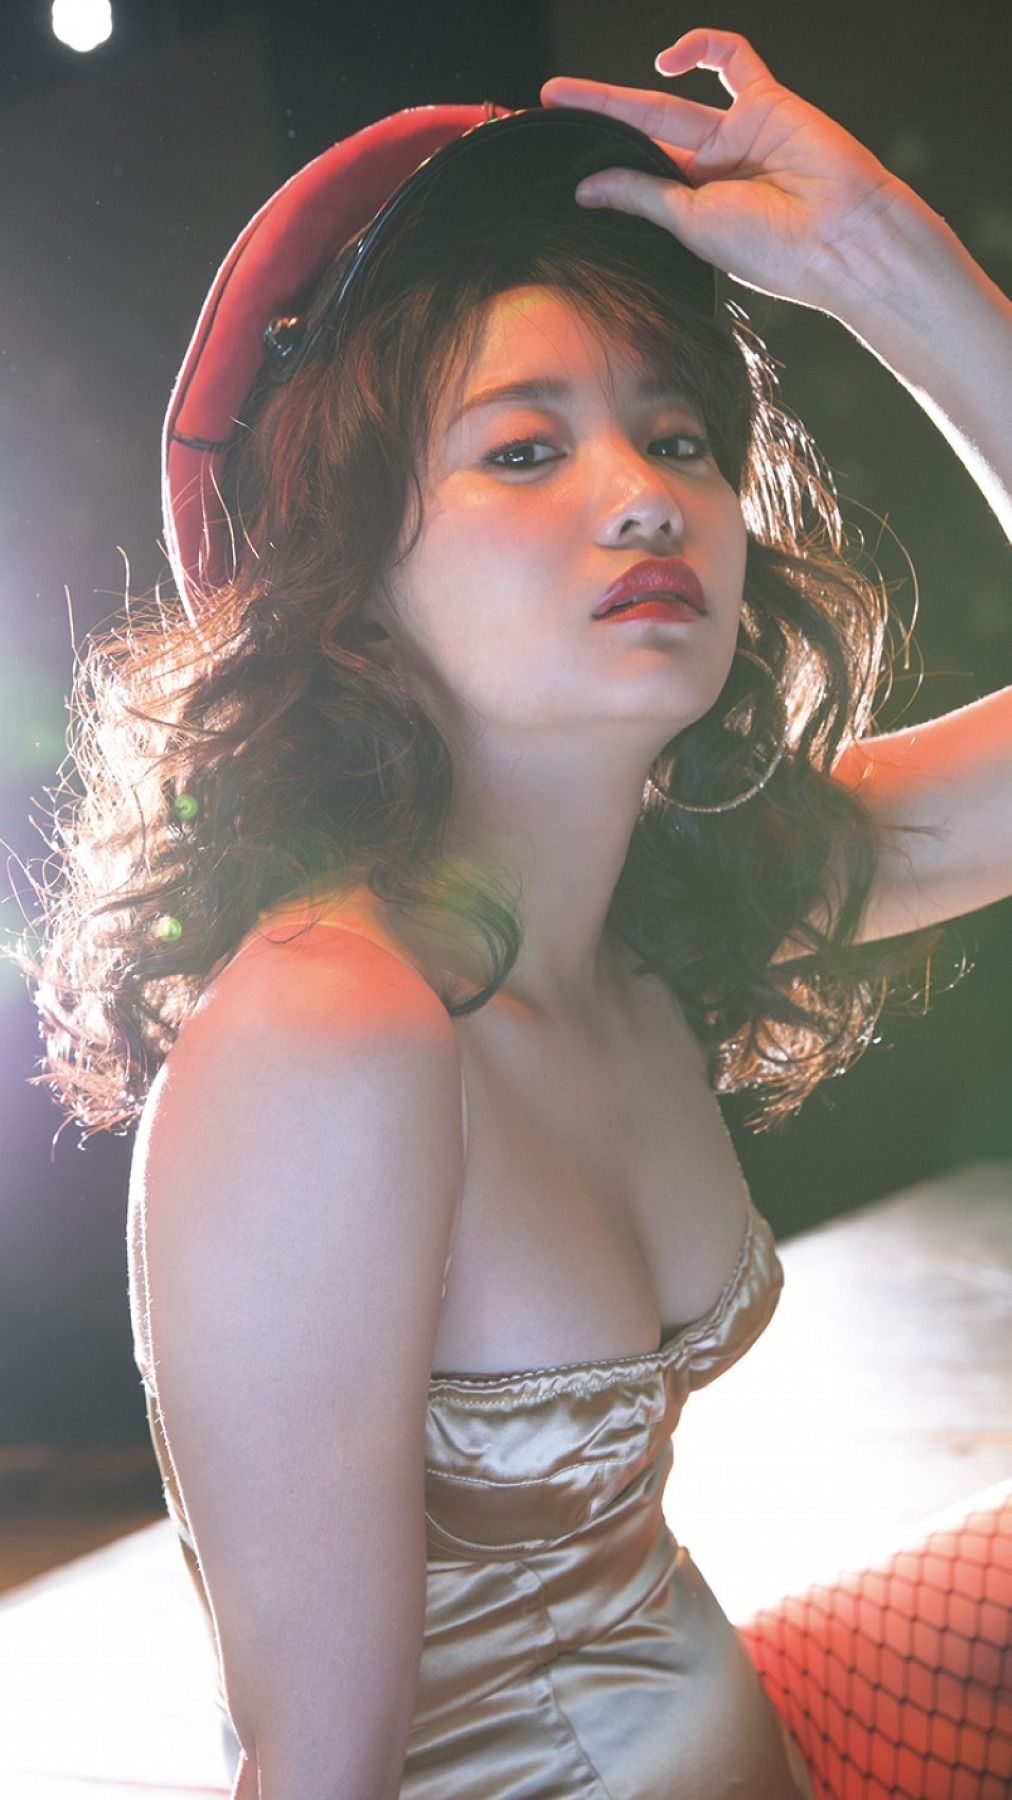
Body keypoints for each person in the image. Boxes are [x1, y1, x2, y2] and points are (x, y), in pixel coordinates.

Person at [6, 25, 1010, 1800]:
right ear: (354, 585)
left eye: (679, 437)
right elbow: (316, 1768)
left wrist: (884, 265)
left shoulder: (662, 914)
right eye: (525, 451)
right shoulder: (329, 1031)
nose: (645, 496)